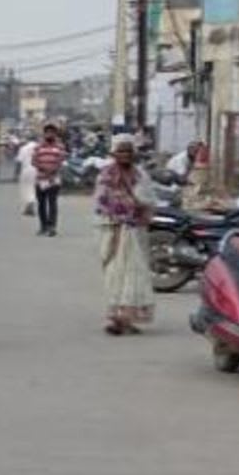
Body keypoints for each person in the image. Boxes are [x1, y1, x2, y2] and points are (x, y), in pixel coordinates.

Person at [96, 134, 156, 335]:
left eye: (128, 151)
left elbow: (149, 200)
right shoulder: (106, 175)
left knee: (135, 273)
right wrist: (122, 210)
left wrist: (137, 207)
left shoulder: (141, 175)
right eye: (121, 150)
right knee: (115, 273)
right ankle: (117, 315)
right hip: (112, 230)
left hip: (135, 232)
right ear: (113, 153)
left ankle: (126, 318)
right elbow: (101, 202)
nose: (125, 155)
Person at [32, 123, 68, 237]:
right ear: (44, 134)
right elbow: (34, 161)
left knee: (52, 203)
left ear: (55, 134)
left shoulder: (60, 146)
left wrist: (52, 170)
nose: (50, 134)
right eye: (47, 132)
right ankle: (43, 226)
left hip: (54, 179)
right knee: (41, 204)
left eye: (52, 132)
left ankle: (52, 227)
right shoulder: (38, 146)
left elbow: (61, 160)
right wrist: (43, 169)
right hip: (41, 179)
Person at [15, 135, 39, 217]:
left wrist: (17, 172)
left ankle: (29, 206)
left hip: (26, 170)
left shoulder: (23, 148)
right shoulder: (40, 148)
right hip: (38, 170)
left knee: (26, 188)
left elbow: (19, 161)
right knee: (34, 188)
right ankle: (29, 208)